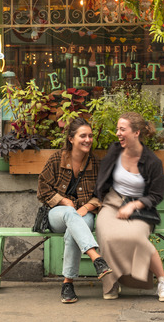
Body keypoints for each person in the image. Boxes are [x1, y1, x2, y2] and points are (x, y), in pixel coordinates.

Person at [94, 112, 164, 302]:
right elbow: (103, 176)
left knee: (136, 238)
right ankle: (111, 283)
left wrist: (134, 206)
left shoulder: (153, 162)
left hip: (140, 207)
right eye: (117, 129)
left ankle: (163, 281)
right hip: (112, 203)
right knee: (106, 237)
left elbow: (156, 195)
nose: (118, 133)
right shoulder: (114, 151)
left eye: (122, 129)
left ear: (136, 132)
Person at [37, 117, 112, 304]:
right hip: (57, 214)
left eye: (90, 136)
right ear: (71, 139)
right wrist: (64, 201)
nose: (88, 140)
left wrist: (87, 207)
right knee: (70, 215)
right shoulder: (56, 159)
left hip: (83, 214)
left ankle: (67, 284)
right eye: (83, 136)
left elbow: (102, 194)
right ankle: (97, 258)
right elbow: (43, 189)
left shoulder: (95, 163)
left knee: (74, 230)